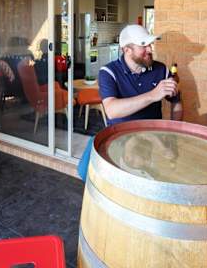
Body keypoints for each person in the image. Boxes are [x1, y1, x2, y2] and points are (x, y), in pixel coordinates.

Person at [76, 24, 183, 181]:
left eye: (150, 45)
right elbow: (112, 110)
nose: (150, 50)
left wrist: (174, 135)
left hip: (152, 139)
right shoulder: (109, 72)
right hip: (118, 140)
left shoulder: (161, 70)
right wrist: (153, 95)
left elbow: (177, 102)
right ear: (127, 50)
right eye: (143, 46)